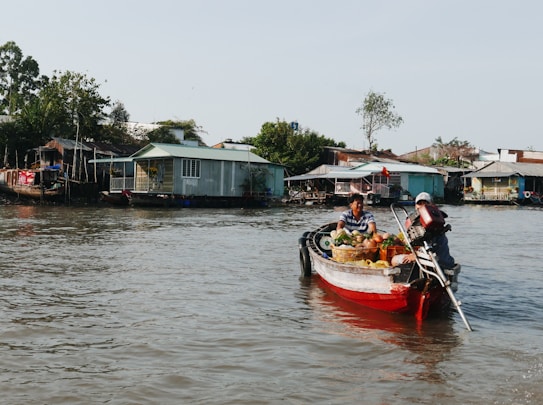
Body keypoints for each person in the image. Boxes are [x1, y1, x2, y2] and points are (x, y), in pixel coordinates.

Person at [394, 192, 455, 269]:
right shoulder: (436, 217)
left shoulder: (432, 221)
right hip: (438, 259)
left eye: (425, 203)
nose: (422, 206)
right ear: (416, 206)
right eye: (420, 204)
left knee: (394, 260)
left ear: (431, 205)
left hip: (434, 260)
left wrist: (416, 255)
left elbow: (431, 245)